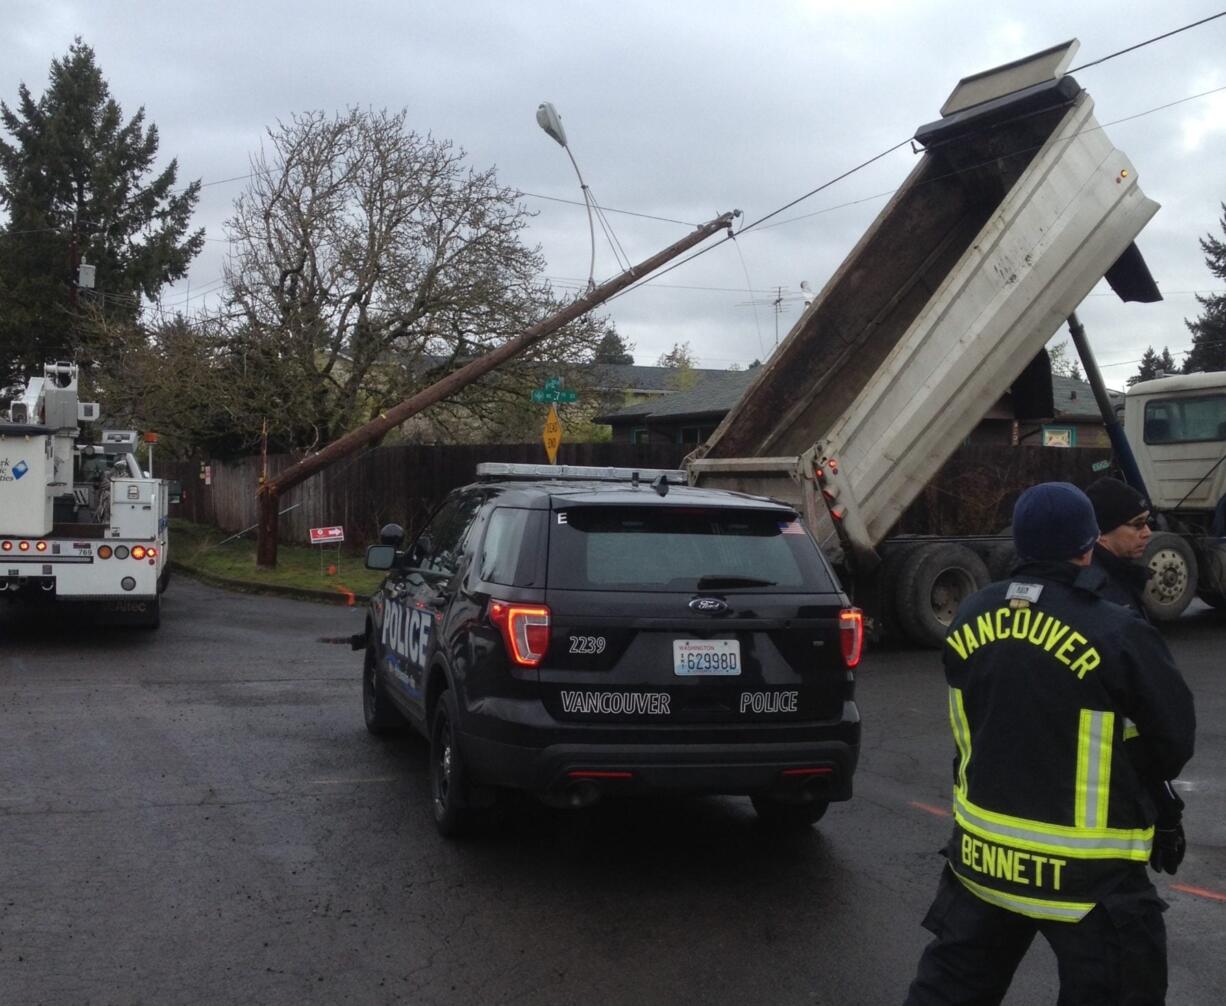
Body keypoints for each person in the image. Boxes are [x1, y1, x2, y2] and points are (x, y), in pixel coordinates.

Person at [904, 482, 1196, 1006]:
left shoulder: (971, 615)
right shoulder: (1116, 630)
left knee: (949, 992)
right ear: (1088, 545)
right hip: (1089, 876)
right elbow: (1174, 738)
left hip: (983, 861)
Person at [1084, 476, 1154, 616]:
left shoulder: (1116, 574)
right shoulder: (1098, 588)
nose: (1148, 533)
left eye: (1147, 521)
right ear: (1102, 531)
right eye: (1138, 524)